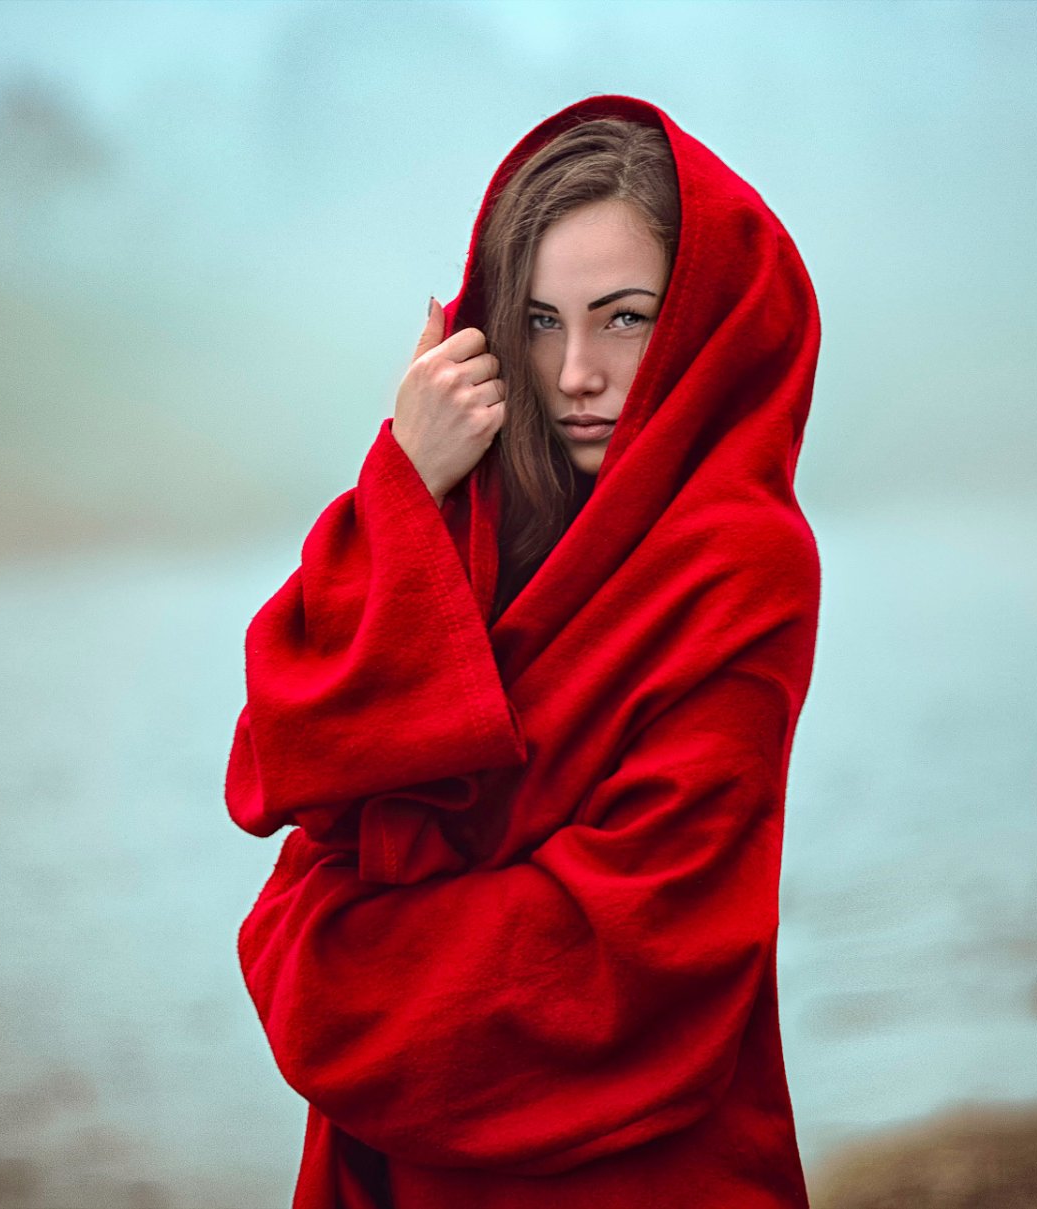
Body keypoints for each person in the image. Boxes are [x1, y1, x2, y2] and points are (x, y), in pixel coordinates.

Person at [226, 94, 824, 1208]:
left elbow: (635, 946)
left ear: (697, 320)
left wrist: (329, 965)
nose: (577, 373)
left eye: (625, 317)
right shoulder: (473, 510)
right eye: (541, 323)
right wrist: (402, 482)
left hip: (639, 1165)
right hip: (410, 1150)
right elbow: (286, 759)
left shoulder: (742, 562)